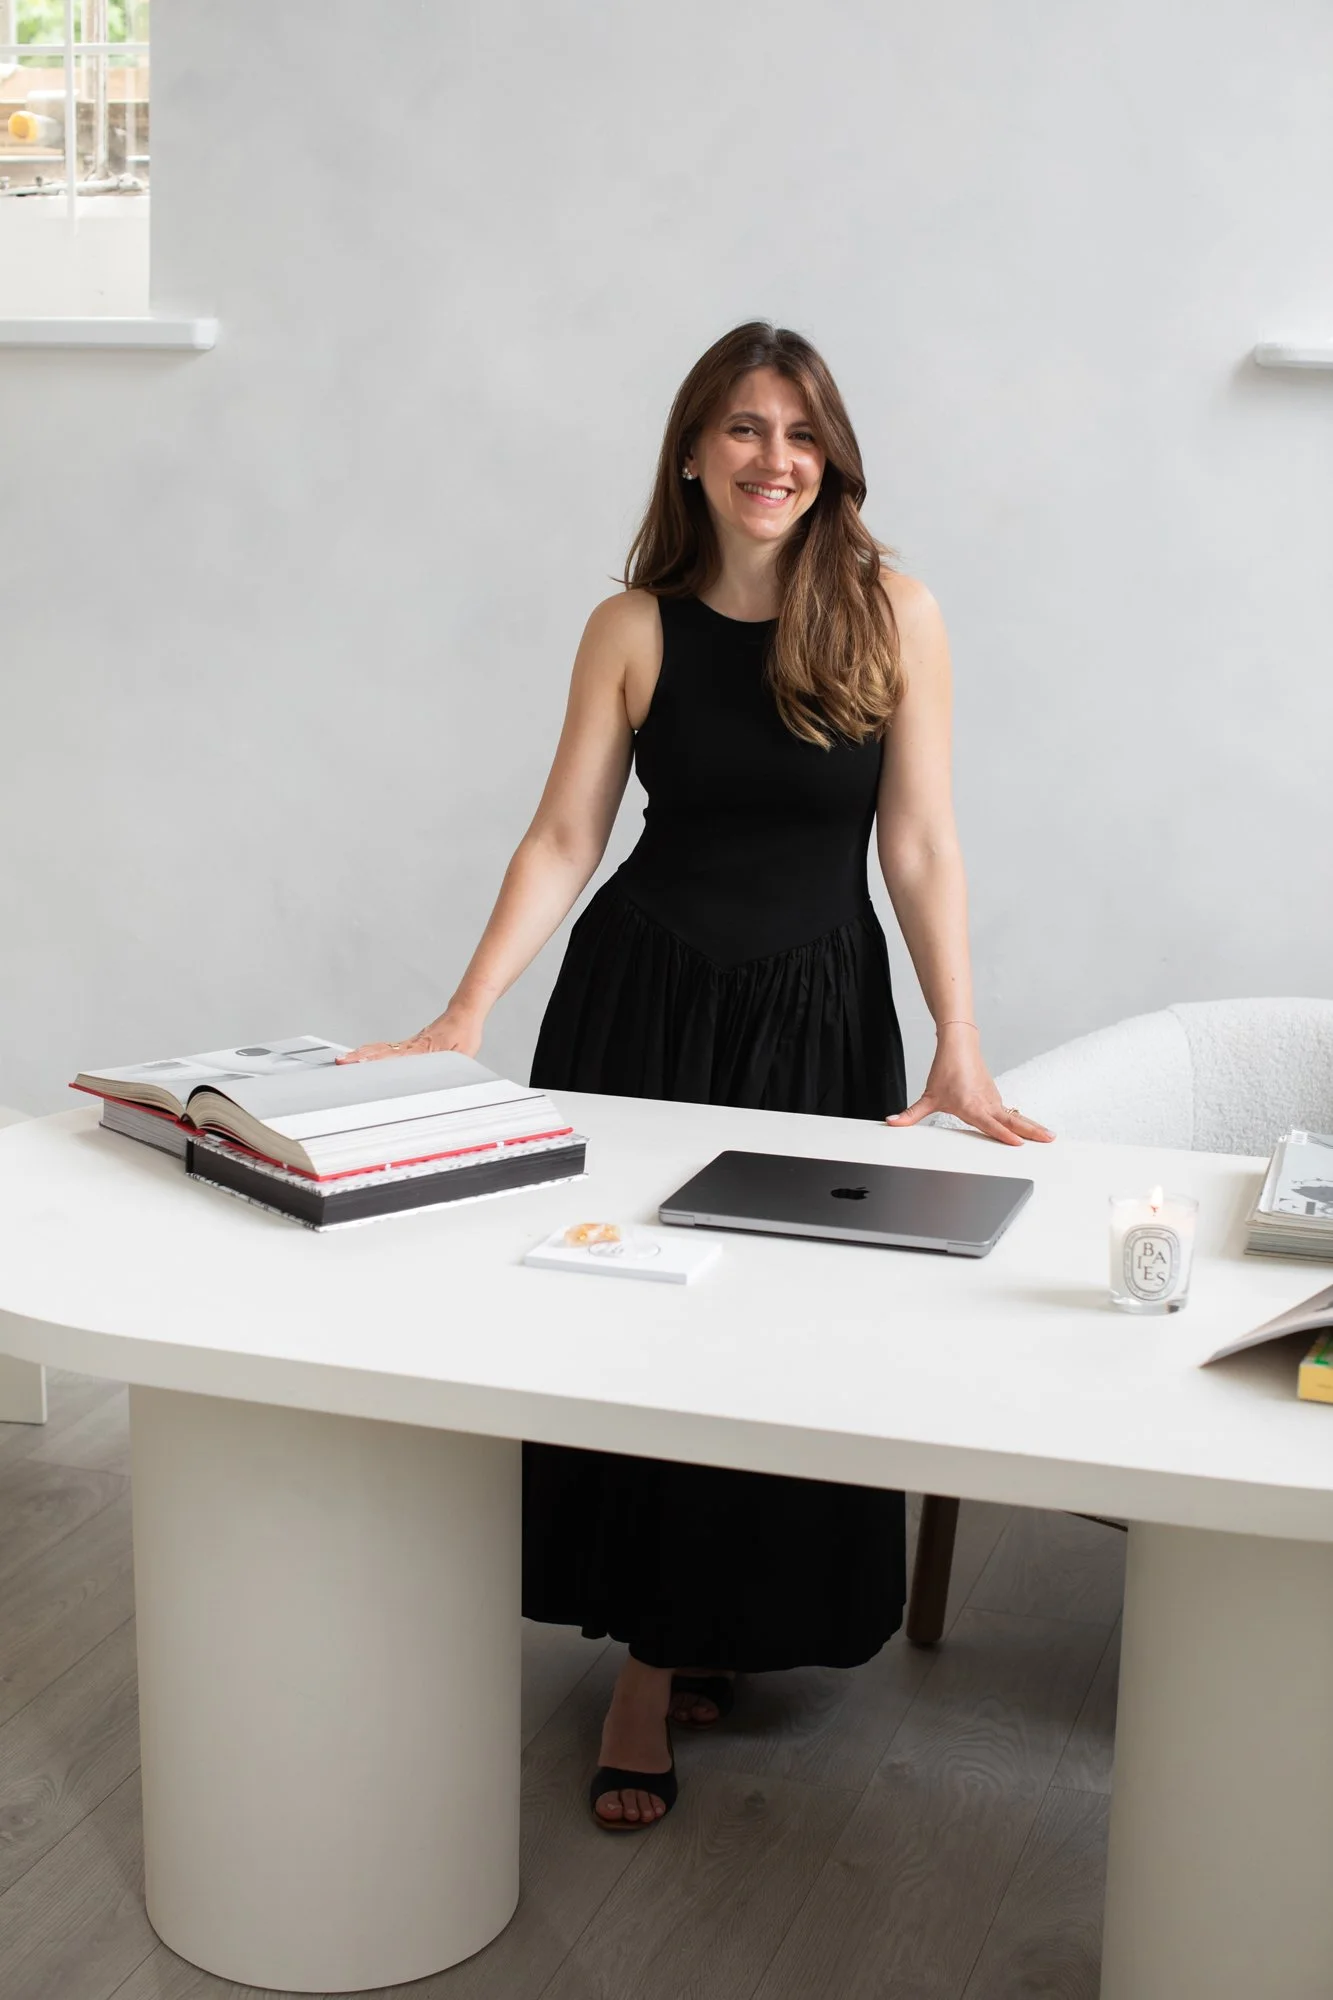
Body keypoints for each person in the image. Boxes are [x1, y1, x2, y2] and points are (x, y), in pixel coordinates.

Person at [340, 319, 1053, 1833]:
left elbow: (918, 845)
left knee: (778, 1328)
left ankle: (718, 1619)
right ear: (692, 450)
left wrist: (961, 1039)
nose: (772, 459)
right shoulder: (634, 626)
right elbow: (563, 837)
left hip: (814, 1025)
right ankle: (650, 1668)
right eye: (742, 428)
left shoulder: (895, 613)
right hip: (644, 1006)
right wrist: (465, 1008)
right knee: (633, 1325)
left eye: (799, 433)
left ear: (834, 457)